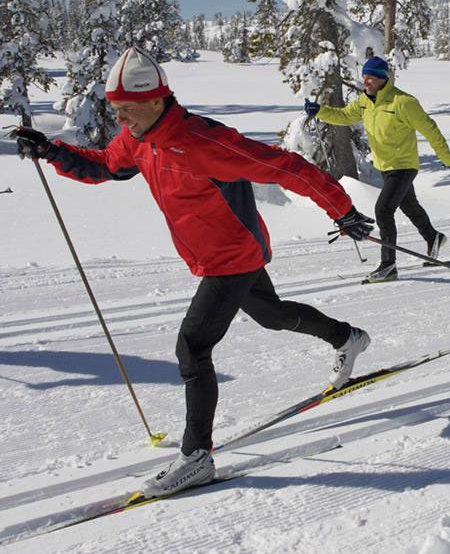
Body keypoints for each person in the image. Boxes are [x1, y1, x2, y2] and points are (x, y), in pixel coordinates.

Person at [15, 47, 375, 497]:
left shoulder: (205, 142)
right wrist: (49, 149)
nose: (121, 121)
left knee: (193, 345)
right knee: (271, 314)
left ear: (156, 99)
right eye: (115, 111)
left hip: (234, 254)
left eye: (127, 110)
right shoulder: (137, 138)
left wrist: (341, 210)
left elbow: (285, 167)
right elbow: (106, 165)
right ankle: (347, 337)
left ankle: (196, 457)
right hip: (213, 255)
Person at [305, 56, 450, 283]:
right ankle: (433, 237)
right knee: (409, 205)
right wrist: (319, 110)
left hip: (404, 166)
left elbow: (430, 129)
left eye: (370, 77)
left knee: (383, 210)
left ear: (382, 78)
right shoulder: (365, 101)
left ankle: (388, 265)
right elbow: (344, 116)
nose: (365, 81)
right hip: (385, 167)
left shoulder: (403, 102)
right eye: (364, 77)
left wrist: (448, 160)